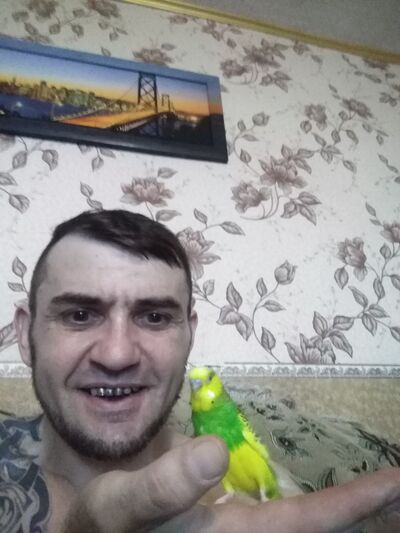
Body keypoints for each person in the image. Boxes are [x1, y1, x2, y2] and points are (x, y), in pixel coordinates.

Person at [1, 208, 399, 533]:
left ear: (189, 335)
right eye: (80, 315)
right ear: (24, 334)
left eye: (155, 317)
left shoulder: (236, 476)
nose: (117, 355)